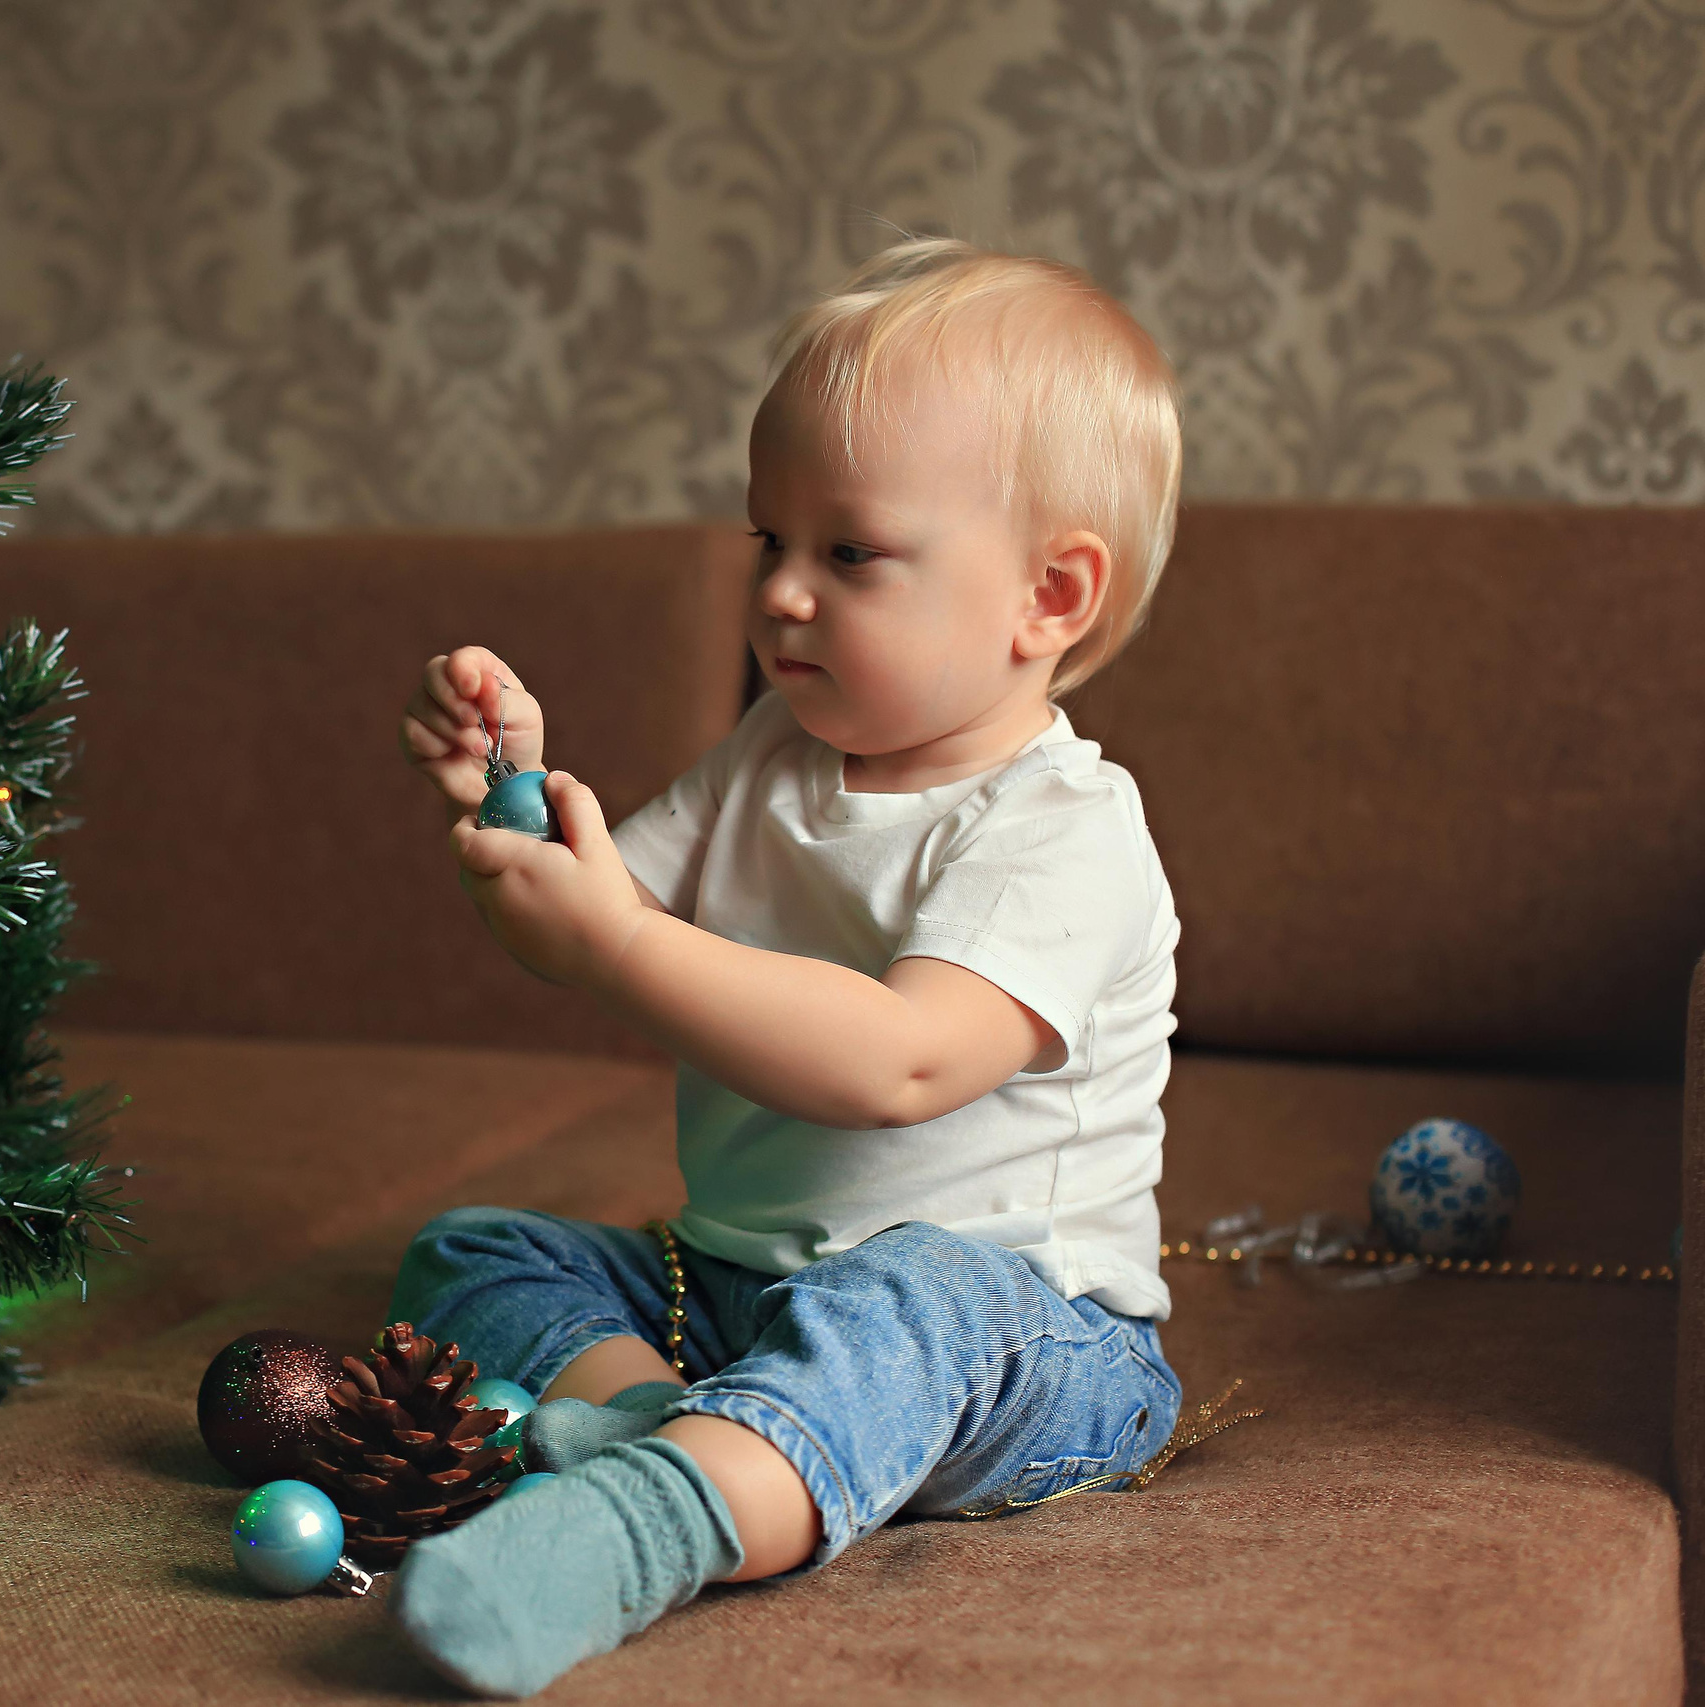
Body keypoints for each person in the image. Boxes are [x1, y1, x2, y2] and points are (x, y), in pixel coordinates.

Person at [386, 235, 1187, 1699]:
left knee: (918, 1297)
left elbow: (900, 1061)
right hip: (734, 1293)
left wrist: (622, 939)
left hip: (1025, 1338)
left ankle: (647, 1525)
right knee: (476, 1252)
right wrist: (510, 804)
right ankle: (666, 1425)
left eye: (850, 552)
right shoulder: (775, 752)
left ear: (1049, 599)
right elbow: (579, 924)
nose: (783, 595)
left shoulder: (1063, 827)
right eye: (771, 541)